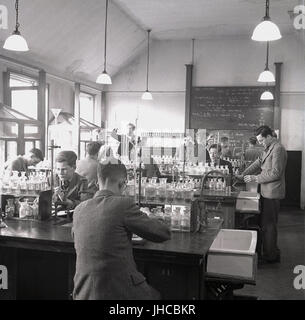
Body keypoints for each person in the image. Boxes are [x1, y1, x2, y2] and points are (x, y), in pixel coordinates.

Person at [72, 163, 171, 300]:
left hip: (83, 292)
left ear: (97, 181)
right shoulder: (123, 204)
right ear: (123, 183)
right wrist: (154, 218)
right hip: (118, 292)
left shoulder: (79, 210)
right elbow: (162, 233)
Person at [239, 125, 287, 263]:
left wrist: (255, 178)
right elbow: (257, 163)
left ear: (269, 136)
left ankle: (271, 255)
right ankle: (270, 251)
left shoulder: (278, 149)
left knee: (269, 225)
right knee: (266, 224)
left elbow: (275, 173)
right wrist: (242, 175)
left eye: (262, 140)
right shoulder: (268, 149)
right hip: (266, 191)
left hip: (272, 193)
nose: (260, 143)